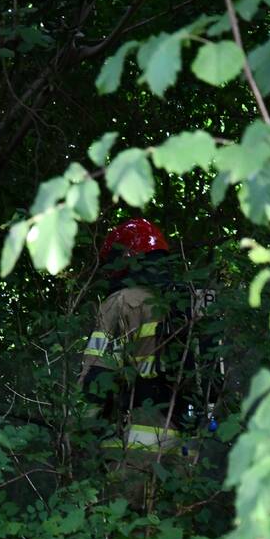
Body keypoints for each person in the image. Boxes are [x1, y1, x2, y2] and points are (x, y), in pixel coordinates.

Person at [79, 218, 198, 509]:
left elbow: (97, 380)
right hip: (188, 448)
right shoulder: (190, 304)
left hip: (134, 448)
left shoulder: (122, 302)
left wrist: (77, 431)